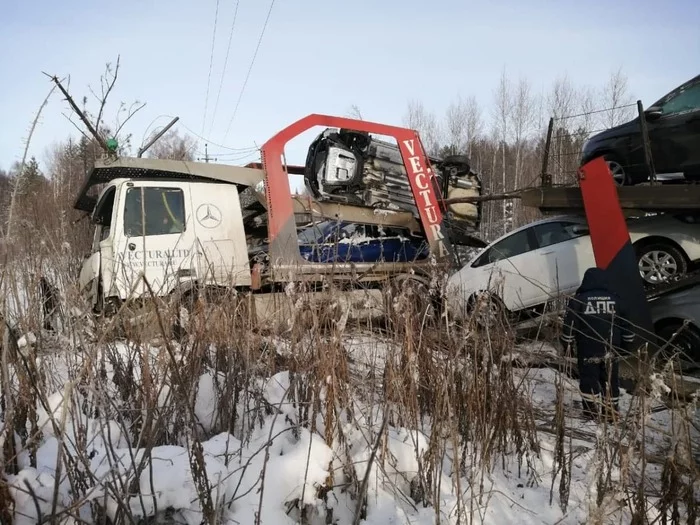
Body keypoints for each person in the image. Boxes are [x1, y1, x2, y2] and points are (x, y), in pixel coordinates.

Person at [560, 267, 636, 421]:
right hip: (611, 347)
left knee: (589, 378)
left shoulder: (578, 301)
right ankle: (610, 413)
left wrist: (567, 345)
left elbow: (569, 326)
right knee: (610, 379)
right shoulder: (618, 300)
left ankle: (590, 412)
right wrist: (626, 347)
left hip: (588, 347)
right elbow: (628, 327)